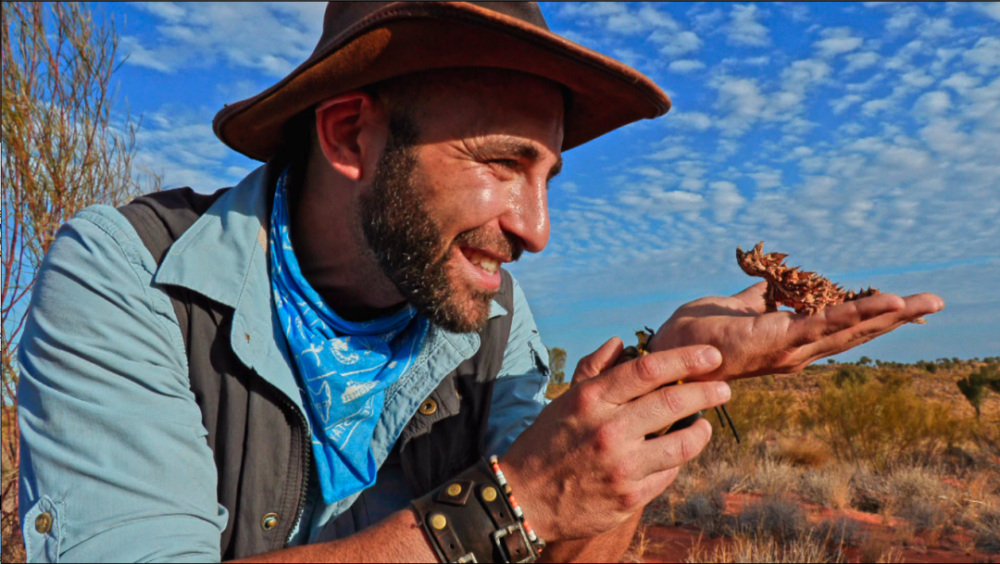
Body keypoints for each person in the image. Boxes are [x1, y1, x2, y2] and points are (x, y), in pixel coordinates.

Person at [16, 3, 943, 563]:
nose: (537, 229)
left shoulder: (487, 312)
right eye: (503, 164)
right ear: (348, 136)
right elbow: (527, 502)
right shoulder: (130, 277)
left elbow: (569, 533)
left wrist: (666, 376)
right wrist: (512, 504)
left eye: (549, 179)